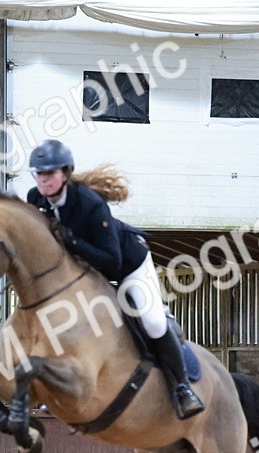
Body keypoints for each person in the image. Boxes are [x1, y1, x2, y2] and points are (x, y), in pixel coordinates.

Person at [24, 139, 205, 420]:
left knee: (154, 322)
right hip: (85, 272)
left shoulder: (90, 204)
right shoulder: (34, 200)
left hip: (128, 265)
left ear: (66, 173)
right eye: (39, 174)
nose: (43, 181)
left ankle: (182, 389)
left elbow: (112, 261)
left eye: (50, 174)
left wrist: (72, 242)